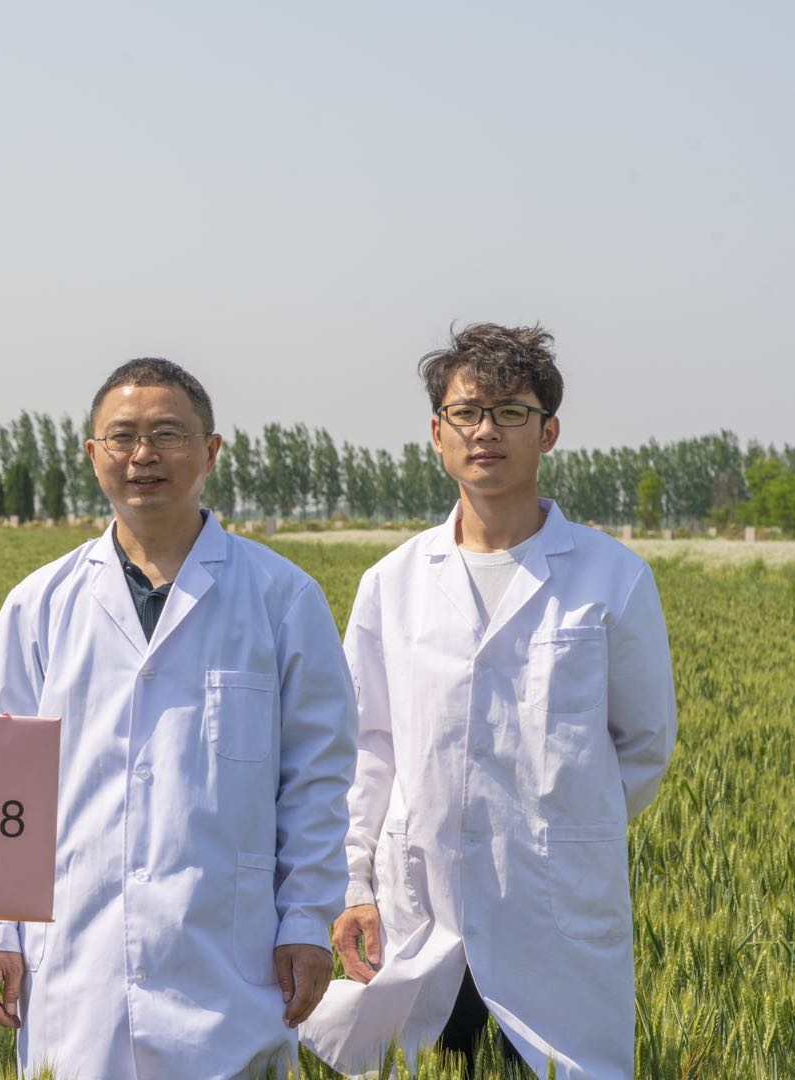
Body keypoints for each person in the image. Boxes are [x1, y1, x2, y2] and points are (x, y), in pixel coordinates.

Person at [301, 324, 678, 1078]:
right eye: (467, 412)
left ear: (549, 433)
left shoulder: (613, 580)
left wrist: (556, 830)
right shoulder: (392, 584)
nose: (486, 431)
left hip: (553, 917)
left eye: (511, 413)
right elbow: (366, 747)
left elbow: (643, 745)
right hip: (422, 911)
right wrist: (354, 883)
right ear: (437, 432)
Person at [0, 358, 358, 1079]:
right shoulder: (40, 605)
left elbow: (318, 778)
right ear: (94, 454)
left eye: (168, 434)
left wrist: (306, 919)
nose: (142, 455)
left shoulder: (281, 598)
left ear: (211, 451)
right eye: (122, 437)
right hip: (78, 962)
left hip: (227, 962)